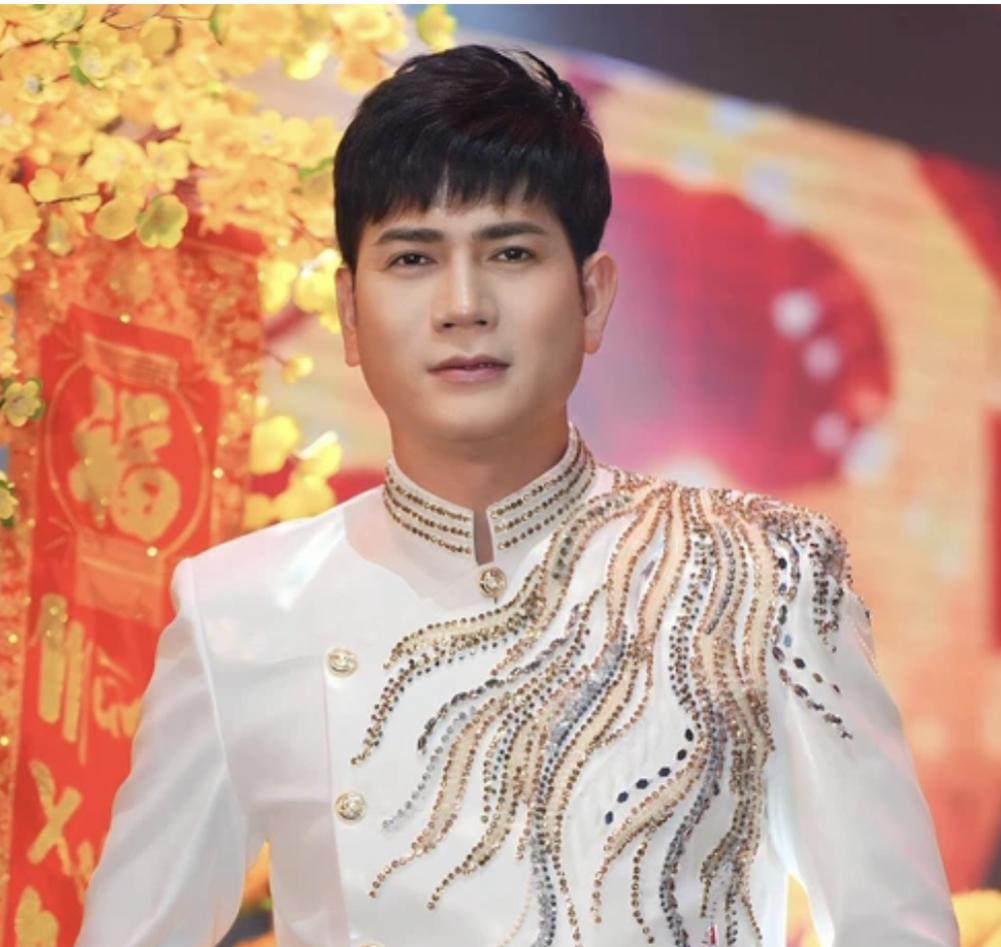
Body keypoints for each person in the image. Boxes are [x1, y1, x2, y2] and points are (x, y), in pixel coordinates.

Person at [75, 43, 959, 947]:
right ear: (348, 313)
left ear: (591, 296)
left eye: (509, 251)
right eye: (412, 258)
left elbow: (896, 931)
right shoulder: (241, 609)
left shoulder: (760, 573)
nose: (462, 303)